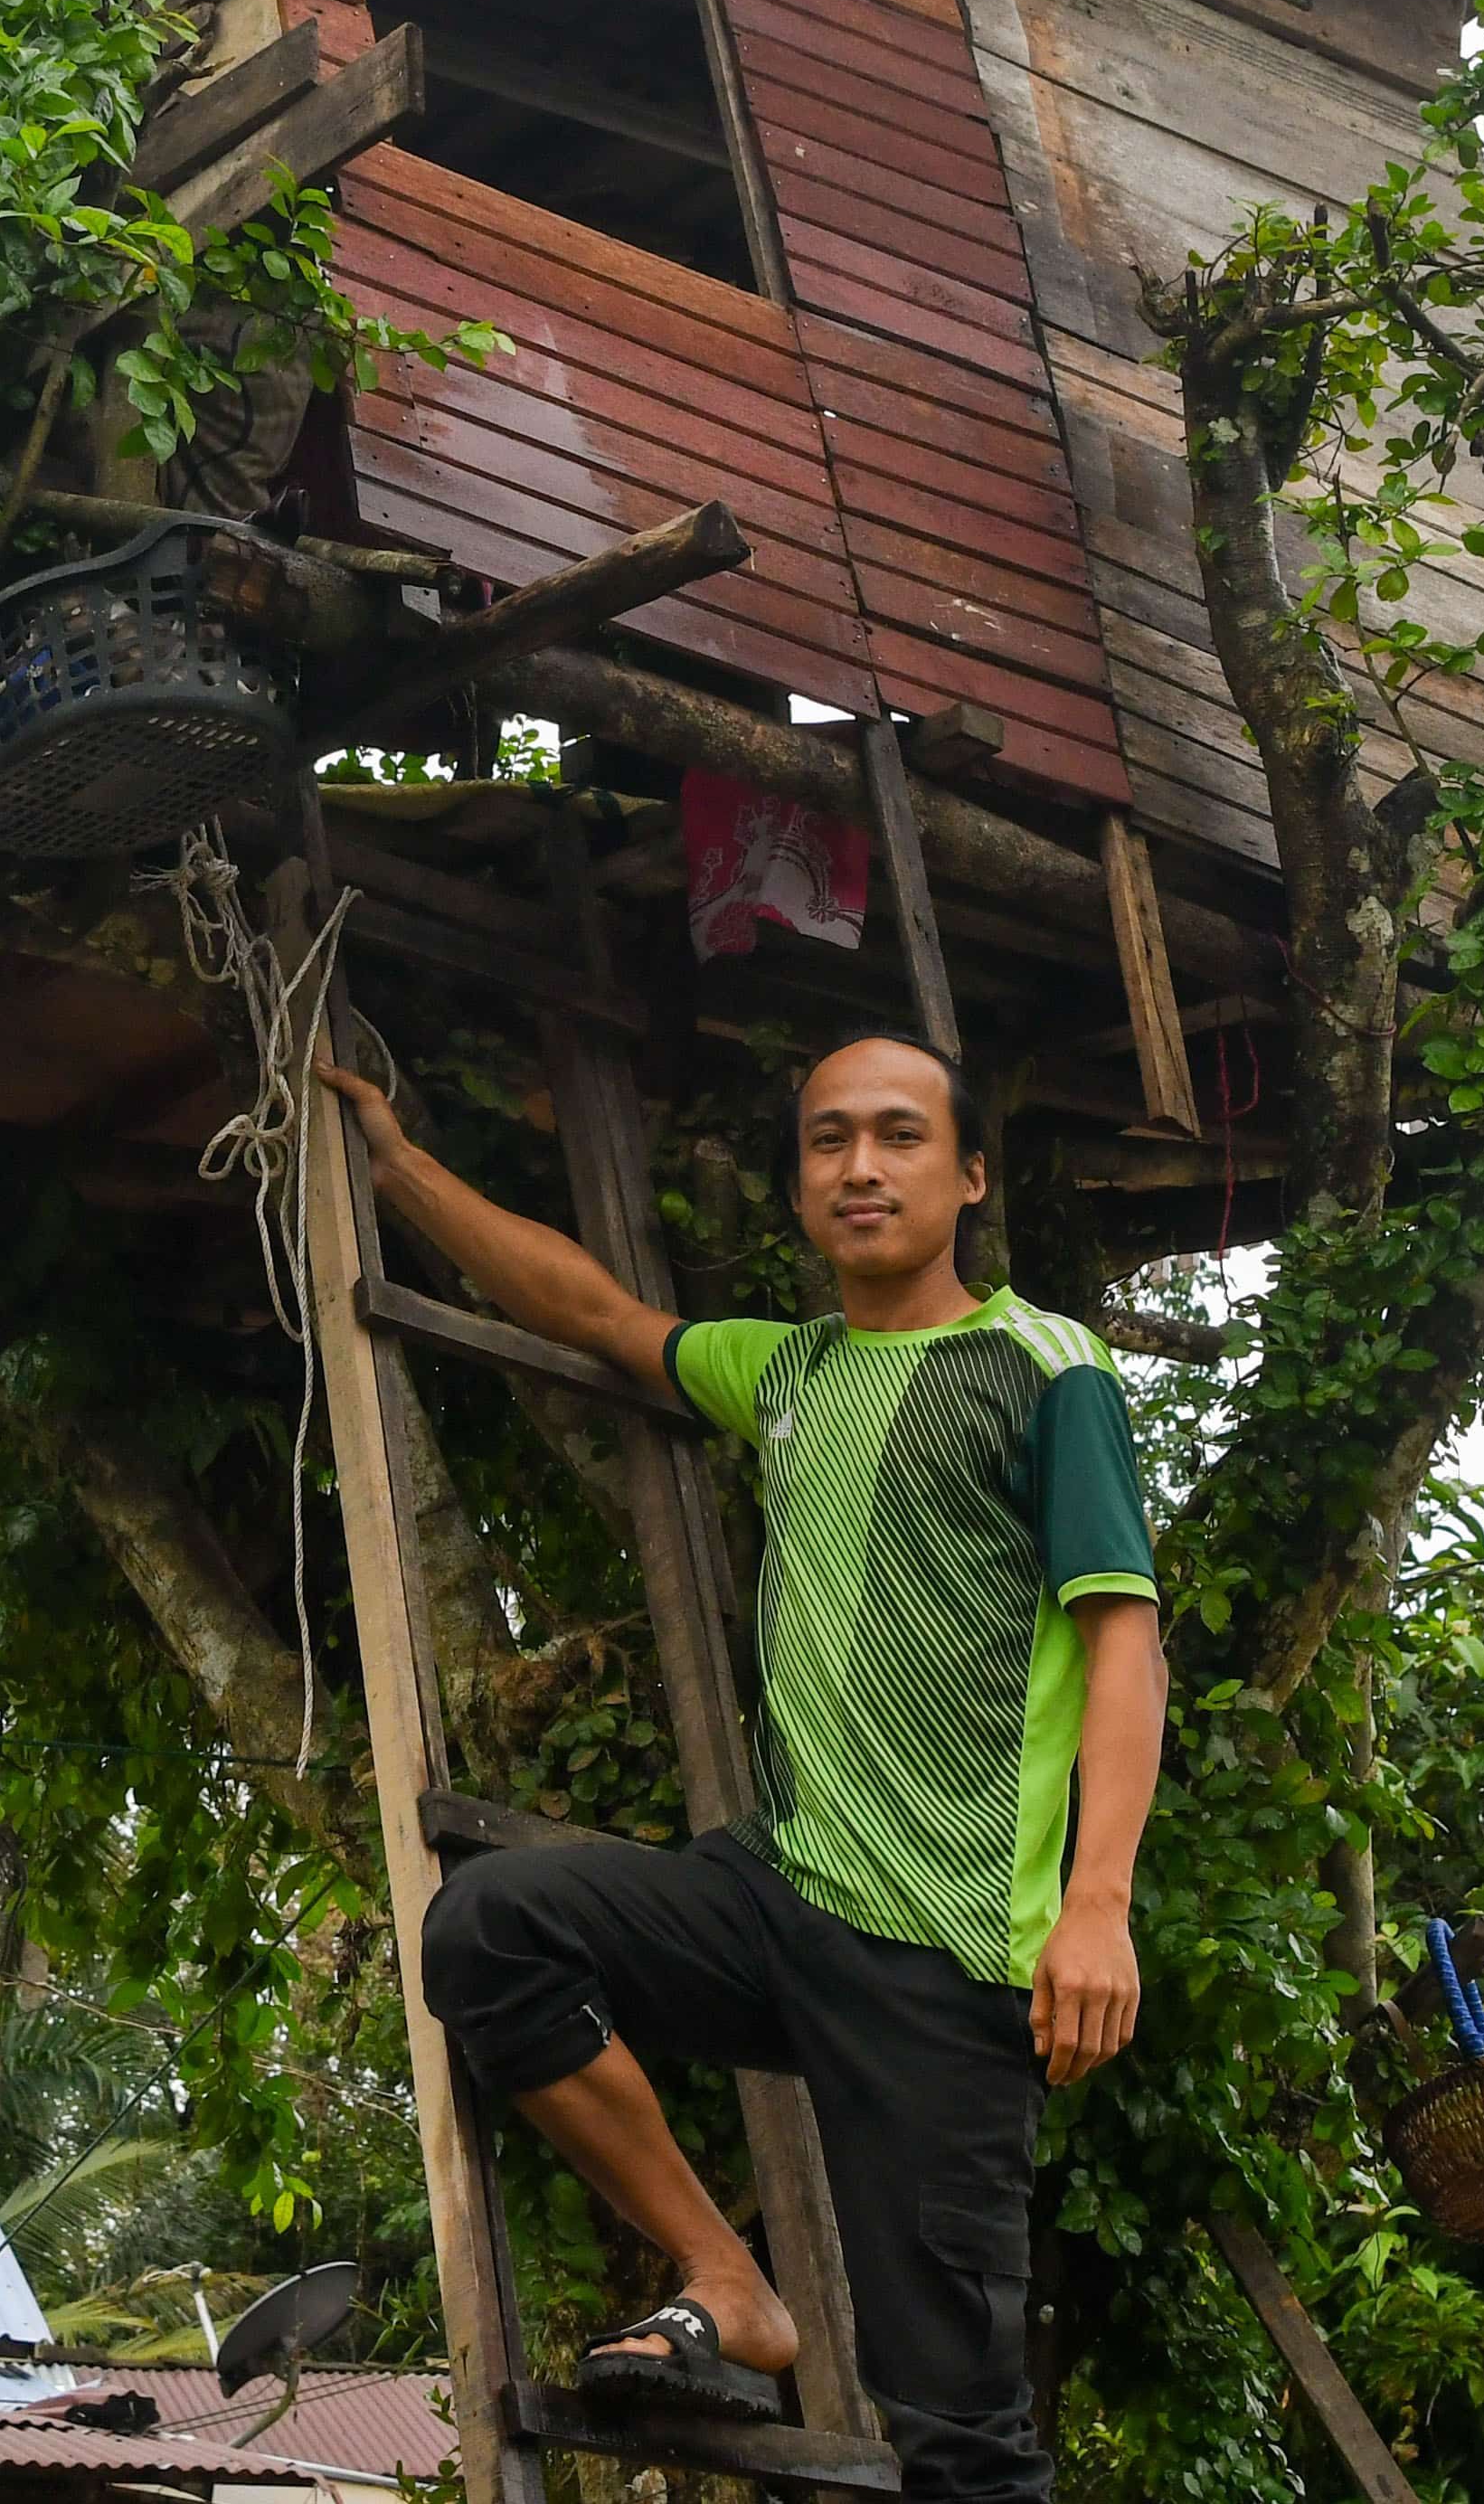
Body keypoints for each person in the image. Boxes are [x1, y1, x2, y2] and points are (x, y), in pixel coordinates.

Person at [312, 1031, 1163, 2504]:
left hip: (948, 1958)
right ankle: (725, 2274)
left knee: (961, 2443)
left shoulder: (1044, 1370)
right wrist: (399, 1169)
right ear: (800, 1186)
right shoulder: (788, 1372)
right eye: (829, 1140)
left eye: (899, 1137)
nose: (860, 1166)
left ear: (967, 1178)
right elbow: (592, 1309)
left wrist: (1098, 1905)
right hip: (781, 1896)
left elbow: (1124, 1643)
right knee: (492, 1932)